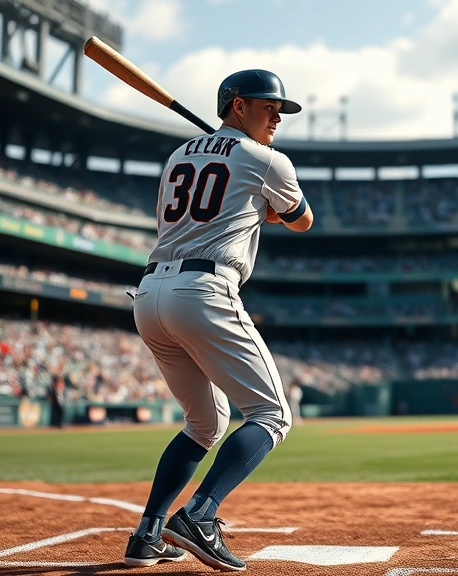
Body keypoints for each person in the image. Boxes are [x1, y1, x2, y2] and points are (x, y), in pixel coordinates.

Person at [123, 69, 313, 571]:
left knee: (204, 423)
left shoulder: (178, 155)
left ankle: (147, 534)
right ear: (235, 105)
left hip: (150, 294)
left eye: (280, 109)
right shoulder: (267, 159)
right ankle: (200, 514)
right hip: (204, 291)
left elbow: (219, 207)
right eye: (266, 105)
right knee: (271, 415)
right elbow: (302, 219)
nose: (276, 115)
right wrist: (267, 204)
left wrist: (257, 204)